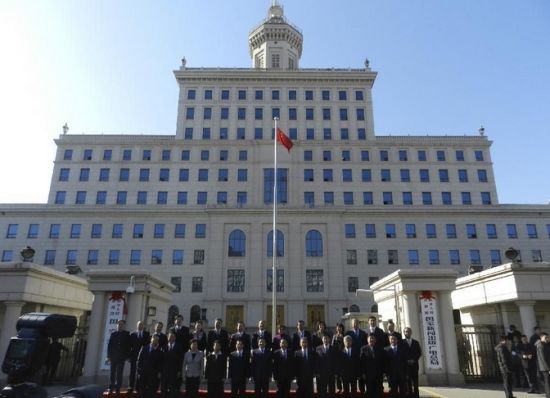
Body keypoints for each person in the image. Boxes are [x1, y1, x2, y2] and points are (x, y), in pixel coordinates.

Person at [107, 319, 131, 395]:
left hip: (121, 357)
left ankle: (118, 388)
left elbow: (128, 346)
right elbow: (109, 346)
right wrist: (108, 356)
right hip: (113, 357)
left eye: (121, 324)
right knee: (112, 373)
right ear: (117, 325)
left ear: (123, 326)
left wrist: (127, 356)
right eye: (119, 324)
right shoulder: (113, 334)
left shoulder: (126, 334)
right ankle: (111, 387)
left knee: (119, 373)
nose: (120, 326)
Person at [346, 318, 368, 394]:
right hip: (352, 357)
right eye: (354, 323)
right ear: (351, 324)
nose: (355, 324)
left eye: (357, 323)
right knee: (353, 376)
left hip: (362, 357)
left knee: (361, 374)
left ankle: (362, 390)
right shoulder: (348, 333)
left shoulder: (363, 333)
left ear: (359, 324)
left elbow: (366, 344)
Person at [129, 320, 150, 393]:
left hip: (143, 358)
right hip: (134, 356)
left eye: (142, 325)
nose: (140, 326)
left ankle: (138, 387)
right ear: (137, 325)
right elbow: (130, 346)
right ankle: (130, 386)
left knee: (141, 373)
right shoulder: (132, 334)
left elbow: (148, 346)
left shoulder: (147, 334)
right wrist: (129, 356)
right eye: (139, 324)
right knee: (132, 372)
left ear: (143, 326)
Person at [161, 332, 184, 398]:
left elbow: (180, 359)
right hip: (164, 372)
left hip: (174, 371)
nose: (171, 338)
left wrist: (179, 370)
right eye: (170, 337)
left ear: (175, 338)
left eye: (173, 337)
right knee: (163, 389)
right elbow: (161, 360)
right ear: (167, 338)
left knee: (172, 389)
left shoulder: (179, 346)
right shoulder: (164, 347)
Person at [402, 327, 422, 398]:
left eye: (408, 331)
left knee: (415, 382)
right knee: (408, 383)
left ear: (411, 332)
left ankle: (416, 396)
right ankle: (410, 396)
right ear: (404, 333)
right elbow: (401, 354)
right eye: (406, 332)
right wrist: (406, 361)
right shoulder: (401, 342)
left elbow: (419, 353)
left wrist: (414, 360)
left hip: (414, 365)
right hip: (406, 366)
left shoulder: (416, 342)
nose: (407, 333)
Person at [332, 323, 346, 393]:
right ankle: (339, 388)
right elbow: (332, 345)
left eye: (340, 327)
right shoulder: (334, 336)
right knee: (337, 374)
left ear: (342, 328)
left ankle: (344, 387)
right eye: (337, 328)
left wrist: (342, 338)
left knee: (343, 373)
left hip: (343, 356)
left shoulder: (345, 335)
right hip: (336, 357)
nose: (339, 329)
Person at [536, 332, 550, 398]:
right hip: (545, 368)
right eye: (546, 337)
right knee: (547, 382)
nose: (547, 339)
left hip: (547, 366)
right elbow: (543, 359)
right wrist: (548, 368)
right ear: (541, 337)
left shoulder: (546, 344)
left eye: (548, 337)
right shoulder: (540, 346)